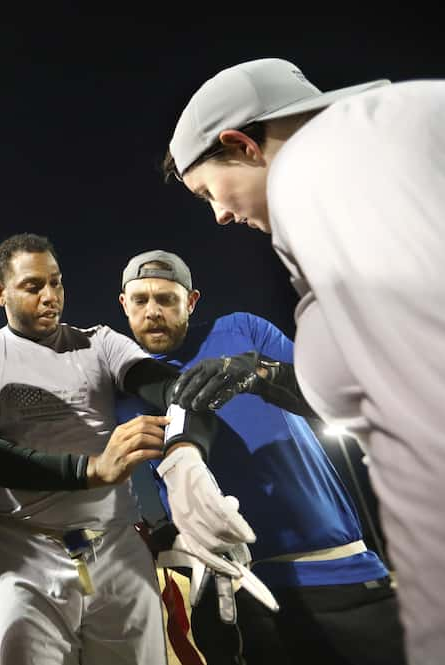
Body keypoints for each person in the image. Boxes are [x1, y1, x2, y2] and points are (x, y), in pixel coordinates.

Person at [162, 58, 444, 665]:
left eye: (210, 191)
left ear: (243, 144)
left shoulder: (322, 170)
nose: (221, 215)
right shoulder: (375, 146)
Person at [0, 233, 253, 665]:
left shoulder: (101, 342)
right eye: (33, 286)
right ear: (0, 293)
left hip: (118, 546)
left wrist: (188, 462)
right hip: (28, 553)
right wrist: (91, 469)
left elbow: (172, 391)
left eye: (56, 283)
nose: (50, 296)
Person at [116, 249, 405, 665]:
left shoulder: (242, 331)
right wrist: (164, 527)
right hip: (227, 592)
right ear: (124, 304)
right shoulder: (121, 385)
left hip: (332, 570)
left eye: (166, 299)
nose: (153, 311)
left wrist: (262, 373)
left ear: (191, 301)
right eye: (141, 300)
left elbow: (337, 397)